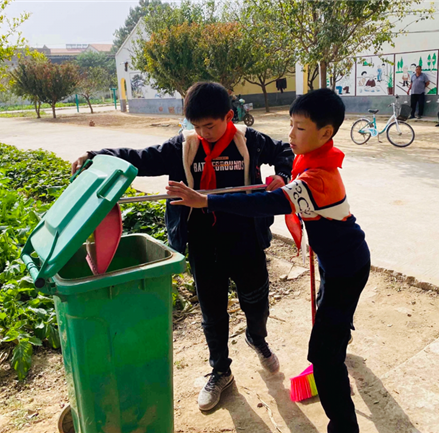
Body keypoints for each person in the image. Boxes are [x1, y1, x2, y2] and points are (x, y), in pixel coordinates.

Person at [71, 82, 294, 412]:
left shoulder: (250, 141)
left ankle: (256, 338)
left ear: (228, 116)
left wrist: (282, 176)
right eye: (197, 126)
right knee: (212, 313)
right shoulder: (183, 146)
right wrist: (96, 156)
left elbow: (285, 152)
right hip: (203, 244)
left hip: (245, 240)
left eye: (210, 126)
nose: (203, 133)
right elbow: (140, 159)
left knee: (256, 302)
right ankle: (221, 371)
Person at [166, 88, 370, 433]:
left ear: (326, 133)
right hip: (335, 257)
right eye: (290, 124)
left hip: (346, 266)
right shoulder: (312, 159)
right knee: (331, 324)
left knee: (323, 355)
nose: (291, 134)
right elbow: (286, 186)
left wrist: (206, 201)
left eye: (300, 128)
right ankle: (339, 340)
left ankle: (343, 424)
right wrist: (284, 178)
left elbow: (264, 203)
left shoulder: (318, 177)